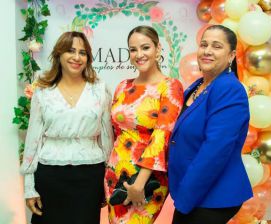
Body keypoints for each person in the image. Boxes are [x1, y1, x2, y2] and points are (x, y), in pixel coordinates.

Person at [20, 31, 113, 224]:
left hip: (90, 176)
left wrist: (107, 184)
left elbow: (107, 139)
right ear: (59, 54)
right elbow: (32, 141)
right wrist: (29, 188)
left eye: (83, 52)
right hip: (50, 176)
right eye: (71, 51)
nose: (77, 57)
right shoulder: (43, 91)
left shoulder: (99, 89)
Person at [168, 25, 253, 224]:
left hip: (212, 194)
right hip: (194, 189)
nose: (207, 51)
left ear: (231, 55)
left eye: (216, 46)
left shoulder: (229, 88)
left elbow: (215, 150)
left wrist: (185, 198)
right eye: (204, 44)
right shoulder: (198, 86)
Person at [104, 25, 184, 223]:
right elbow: (115, 133)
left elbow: (162, 135)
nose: (139, 54)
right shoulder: (123, 86)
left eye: (145, 47)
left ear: (158, 49)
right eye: (133, 49)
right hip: (116, 173)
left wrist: (139, 184)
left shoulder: (170, 86)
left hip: (147, 179)